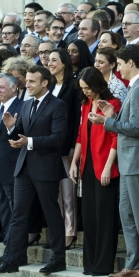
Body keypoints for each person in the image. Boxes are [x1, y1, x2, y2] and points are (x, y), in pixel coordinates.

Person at [90, 44, 139, 277]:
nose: (118, 69)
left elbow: (137, 128)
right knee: (127, 214)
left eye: (119, 64)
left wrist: (105, 123)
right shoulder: (135, 86)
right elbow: (129, 122)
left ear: (131, 62)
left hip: (138, 159)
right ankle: (133, 263)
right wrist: (112, 115)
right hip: (130, 159)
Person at [0, 65, 68, 275]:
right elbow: (21, 132)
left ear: (45, 83)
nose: (28, 84)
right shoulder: (25, 105)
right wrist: (11, 128)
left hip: (46, 168)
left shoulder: (57, 105)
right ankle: (12, 259)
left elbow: (59, 138)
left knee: (52, 215)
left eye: (32, 81)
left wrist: (29, 141)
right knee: (18, 215)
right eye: (27, 80)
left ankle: (58, 259)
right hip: (23, 167)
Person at [69, 67, 120, 276]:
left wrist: (109, 166)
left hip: (105, 166)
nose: (86, 92)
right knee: (89, 216)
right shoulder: (85, 104)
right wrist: (74, 162)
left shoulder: (113, 104)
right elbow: (81, 136)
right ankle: (89, 264)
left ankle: (103, 265)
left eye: (88, 88)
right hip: (88, 166)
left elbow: (116, 138)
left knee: (105, 217)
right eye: (83, 89)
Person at [48, 49, 81, 249]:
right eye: (48, 60)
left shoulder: (73, 86)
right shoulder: (49, 85)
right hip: (50, 146)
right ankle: (58, 232)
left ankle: (70, 232)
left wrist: (72, 145)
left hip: (67, 145)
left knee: (68, 193)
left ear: (64, 63)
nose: (50, 63)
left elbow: (76, 118)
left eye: (54, 60)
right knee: (55, 194)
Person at [0, 73, 23, 251]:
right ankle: (8, 250)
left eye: (1, 87)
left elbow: (23, 136)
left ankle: (15, 252)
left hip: (14, 168)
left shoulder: (22, 107)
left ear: (14, 87)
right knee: (4, 211)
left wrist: (12, 127)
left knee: (15, 212)